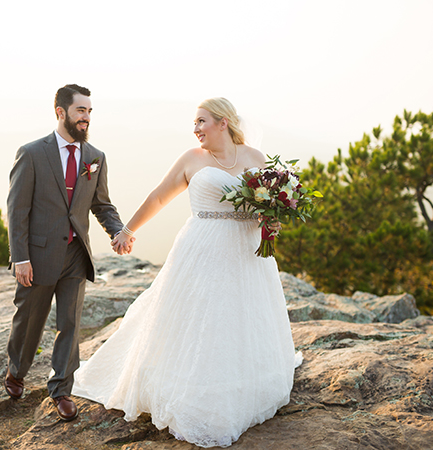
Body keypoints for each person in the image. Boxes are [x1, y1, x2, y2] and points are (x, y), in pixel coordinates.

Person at [72, 97, 302, 447]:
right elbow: (159, 197)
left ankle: (243, 383)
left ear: (223, 122)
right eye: (194, 123)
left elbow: (278, 202)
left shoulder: (256, 159)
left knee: (241, 316)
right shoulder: (191, 160)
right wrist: (127, 231)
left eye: (201, 121)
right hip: (203, 247)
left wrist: (272, 214)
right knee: (202, 318)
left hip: (247, 251)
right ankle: (194, 389)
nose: (195, 129)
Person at [4, 84, 133, 422]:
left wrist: (117, 230)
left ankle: (61, 389)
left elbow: (101, 204)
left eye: (89, 111)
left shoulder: (95, 157)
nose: (86, 117)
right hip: (38, 255)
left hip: (77, 255)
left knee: (71, 324)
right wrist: (20, 257)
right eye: (80, 111)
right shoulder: (32, 153)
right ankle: (16, 371)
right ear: (61, 112)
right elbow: (16, 210)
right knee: (29, 321)